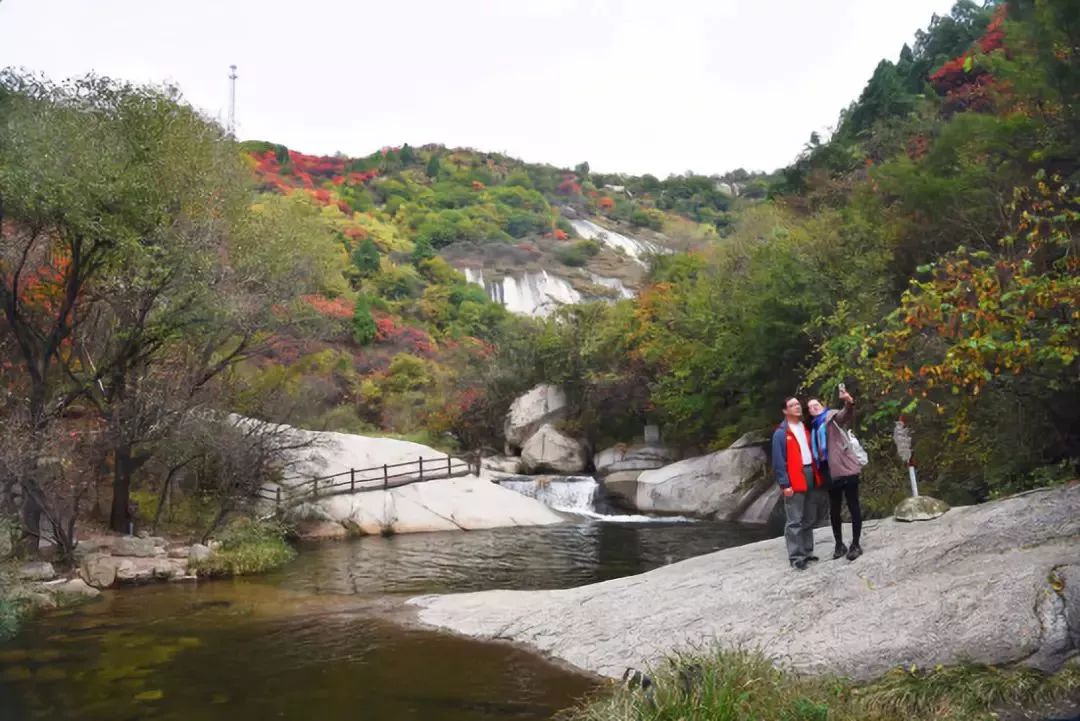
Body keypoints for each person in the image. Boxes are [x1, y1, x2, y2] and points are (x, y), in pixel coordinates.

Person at [807, 387, 863, 561]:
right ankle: (839, 544)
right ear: (808, 412)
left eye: (816, 404)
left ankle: (856, 544)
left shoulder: (832, 418)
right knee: (835, 509)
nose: (814, 408)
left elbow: (846, 413)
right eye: (810, 407)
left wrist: (848, 400)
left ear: (822, 405)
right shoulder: (812, 428)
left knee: (853, 506)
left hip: (845, 468)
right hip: (828, 471)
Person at [771, 396, 824, 570]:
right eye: (792, 405)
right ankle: (796, 556)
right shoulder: (781, 433)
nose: (797, 407)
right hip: (794, 476)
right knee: (795, 519)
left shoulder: (805, 428)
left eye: (797, 404)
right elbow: (778, 461)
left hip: (810, 473)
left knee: (809, 516)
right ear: (785, 411)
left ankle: (807, 551)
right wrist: (784, 484)